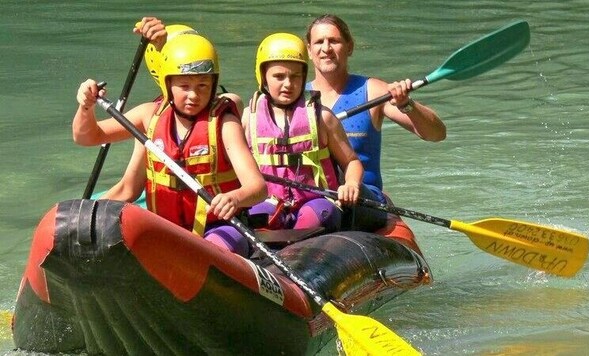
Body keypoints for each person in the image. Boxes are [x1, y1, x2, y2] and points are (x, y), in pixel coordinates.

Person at [72, 28, 267, 257]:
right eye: (184, 86)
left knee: (207, 251)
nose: (193, 95)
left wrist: (235, 198)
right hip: (167, 228)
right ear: (168, 85)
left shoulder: (225, 124)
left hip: (220, 228)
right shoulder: (149, 117)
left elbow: (258, 188)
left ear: (213, 85)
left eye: (202, 85)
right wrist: (86, 107)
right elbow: (87, 137)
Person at [305, 14, 447, 203]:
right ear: (309, 50)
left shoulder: (373, 91)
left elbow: (437, 134)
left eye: (334, 41)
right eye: (319, 42)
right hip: (311, 198)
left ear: (350, 47)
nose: (326, 49)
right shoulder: (296, 97)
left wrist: (406, 104)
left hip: (363, 199)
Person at [242, 33, 363, 232]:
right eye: (279, 77)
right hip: (270, 201)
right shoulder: (248, 118)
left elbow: (351, 161)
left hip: (316, 201)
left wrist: (350, 184)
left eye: (295, 76)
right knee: (257, 216)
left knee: (315, 217)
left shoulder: (323, 117)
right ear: (263, 77)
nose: (288, 84)